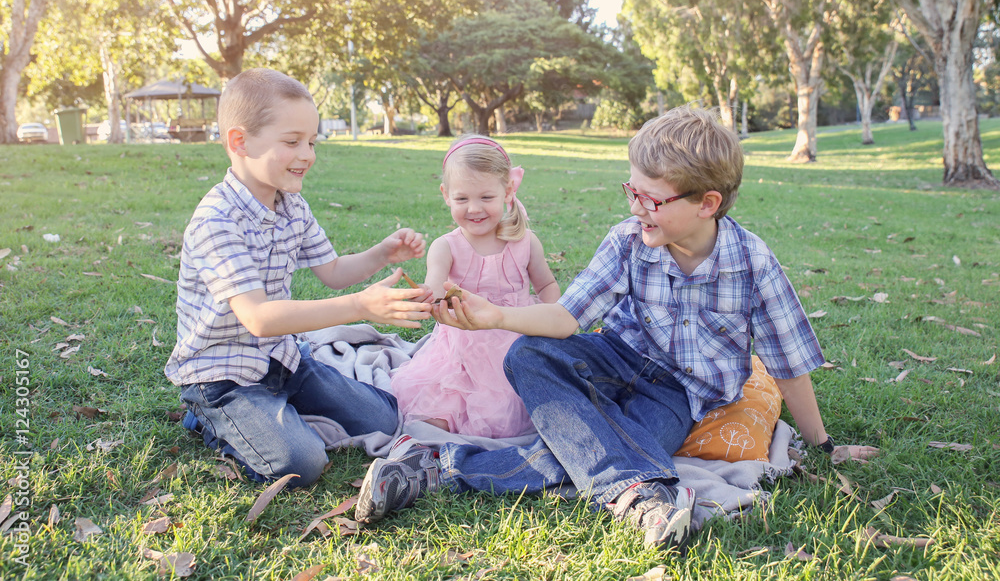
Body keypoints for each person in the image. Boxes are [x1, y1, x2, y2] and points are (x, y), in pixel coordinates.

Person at [354, 106, 879, 552]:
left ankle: (438, 469)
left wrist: (825, 446)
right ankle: (637, 491)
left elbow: (788, 364)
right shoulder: (628, 239)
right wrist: (496, 317)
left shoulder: (754, 265)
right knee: (527, 356)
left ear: (707, 203)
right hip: (612, 359)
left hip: (677, 394)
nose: (634, 207)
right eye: (632, 190)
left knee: (617, 445)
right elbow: (566, 317)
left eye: (650, 199)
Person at [165, 68, 431, 488]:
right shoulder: (215, 221)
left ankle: (284, 406)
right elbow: (259, 318)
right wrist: (361, 307)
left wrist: (383, 253)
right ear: (240, 142)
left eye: (312, 142)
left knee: (386, 416)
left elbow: (334, 273)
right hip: (223, 377)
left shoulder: (293, 206)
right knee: (302, 463)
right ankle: (208, 418)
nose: (307, 154)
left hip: (284, 360)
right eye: (292, 142)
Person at [390, 136, 561, 438]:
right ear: (445, 195)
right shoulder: (446, 246)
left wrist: (555, 319)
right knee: (438, 414)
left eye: (486, 197)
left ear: (507, 191)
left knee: (519, 409)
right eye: (462, 199)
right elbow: (435, 285)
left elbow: (546, 284)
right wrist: (425, 296)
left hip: (517, 340)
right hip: (462, 347)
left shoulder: (525, 242)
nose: (474, 209)